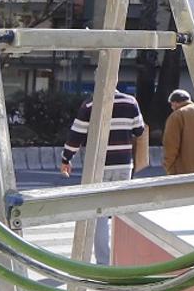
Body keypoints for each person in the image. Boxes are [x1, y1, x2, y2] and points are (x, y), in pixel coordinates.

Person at [60, 89, 146, 265]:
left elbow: (76, 135)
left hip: (98, 166)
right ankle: (122, 259)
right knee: (121, 213)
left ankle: (104, 261)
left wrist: (66, 158)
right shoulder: (131, 102)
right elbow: (139, 130)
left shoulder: (90, 105)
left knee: (99, 214)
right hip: (123, 164)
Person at [162, 90, 194, 175]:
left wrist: (168, 167)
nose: (172, 108)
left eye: (171, 105)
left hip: (185, 171)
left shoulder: (176, 115)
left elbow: (170, 145)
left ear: (175, 103)